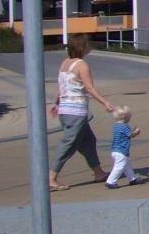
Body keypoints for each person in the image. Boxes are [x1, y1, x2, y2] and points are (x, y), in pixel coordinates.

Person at [48, 35, 115, 192]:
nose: (89, 47)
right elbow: (89, 88)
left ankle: (98, 172)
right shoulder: (82, 65)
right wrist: (104, 102)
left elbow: (61, 85)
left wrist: (55, 102)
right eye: (87, 44)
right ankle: (51, 178)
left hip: (65, 110)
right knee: (69, 144)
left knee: (88, 141)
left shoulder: (65, 63)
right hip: (75, 111)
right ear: (82, 47)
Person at [106, 106, 142, 189]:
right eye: (129, 115)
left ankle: (132, 179)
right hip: (121, 151)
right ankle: (110, 181)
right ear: (124, 116)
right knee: (119, 167)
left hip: (115, 150)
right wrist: (136, 131)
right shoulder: (124, 126)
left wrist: (132, 131)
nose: (131, 116)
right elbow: (131, 135)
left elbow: (126, 134)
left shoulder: (116, 126)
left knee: (127, 165)